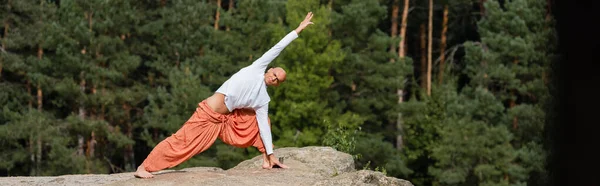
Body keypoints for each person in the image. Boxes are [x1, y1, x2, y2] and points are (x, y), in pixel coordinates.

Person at [134, 12, 315, 179]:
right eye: (274, 74)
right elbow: (278, 47)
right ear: (270, 69)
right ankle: (144, 167)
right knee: (182, 143)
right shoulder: (257, 67)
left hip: (225, 121)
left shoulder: (262, 100)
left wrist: (272, 154)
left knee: (263, 121)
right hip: (207, 115)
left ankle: (267, 160)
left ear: (277, 84)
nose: (273, 78)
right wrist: (298, 30)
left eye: (277, 80)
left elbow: (263, 129)